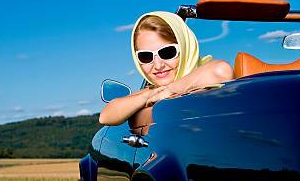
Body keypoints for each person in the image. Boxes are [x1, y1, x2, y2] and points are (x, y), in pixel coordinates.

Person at [99, 11, 234, 125]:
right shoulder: (152, 90)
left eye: (167, 52)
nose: (158, 65)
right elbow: (106, 116)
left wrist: (169, 91)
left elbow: (221, 70)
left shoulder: (205, 71)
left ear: (185, 47)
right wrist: (150, 94)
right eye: (146, 56)